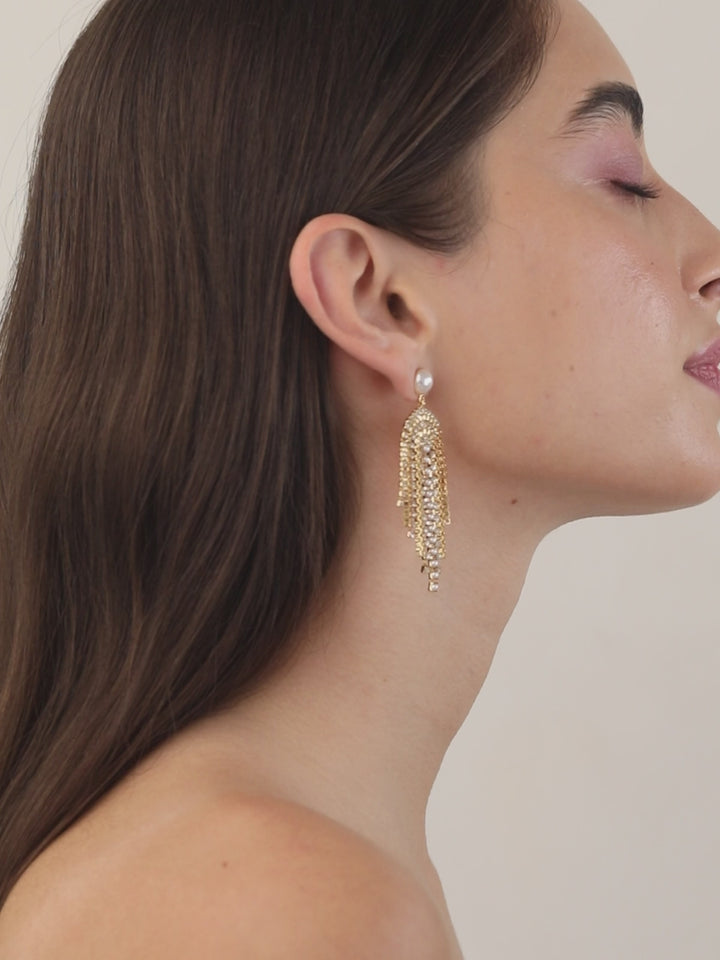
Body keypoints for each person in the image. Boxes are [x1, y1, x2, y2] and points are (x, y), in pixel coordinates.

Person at [2, 0, 720, 955]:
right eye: (626, 180)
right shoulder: (289, 905)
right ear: (379, 300)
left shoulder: (236, 862)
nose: (710, 255)